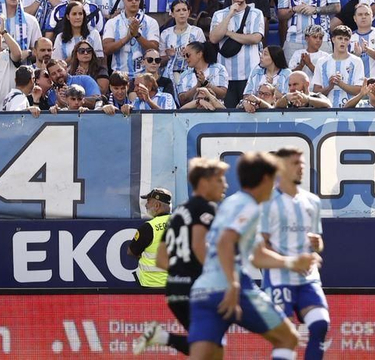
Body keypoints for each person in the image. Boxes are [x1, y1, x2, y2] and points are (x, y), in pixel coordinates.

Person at [184, 151, 315, 360]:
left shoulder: (231, 203)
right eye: (274, 179)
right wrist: (233, 284)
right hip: (233, 288)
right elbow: (226, 240)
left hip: (203, 291)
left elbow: (257, 255)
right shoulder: (250, 207)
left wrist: (291, 262)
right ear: (265, 179)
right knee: (288, 339)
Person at [135, 160, 226, 356]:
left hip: (174, 290)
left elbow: (160, 259)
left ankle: (163, 337)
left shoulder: (179, 215)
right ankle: (162, 337)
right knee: (210, 344)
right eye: (219, 180)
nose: (225, 185)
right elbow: (199, 248)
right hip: (193, 290)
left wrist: (180, 274)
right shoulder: (205, 209)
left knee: (209, 345)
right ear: (204, 182)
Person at [262, 147, 328, 360]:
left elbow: (317, 245)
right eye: (295, 163)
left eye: (302, 163)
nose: (301, 168)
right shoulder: (266, 202)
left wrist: (317, 247)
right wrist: (291, 262)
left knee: (320, 325)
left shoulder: (312, 201)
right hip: (279, 279)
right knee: (285, 338)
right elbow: (260, 247)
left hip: (307, 278)